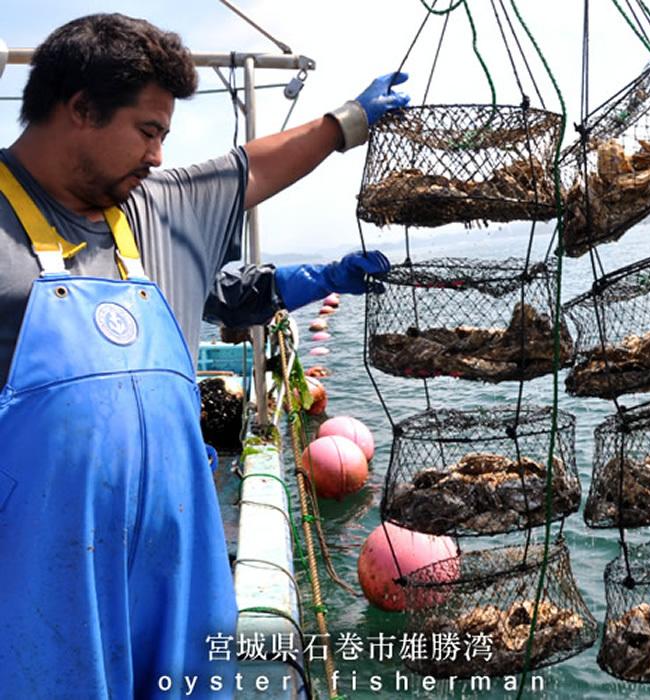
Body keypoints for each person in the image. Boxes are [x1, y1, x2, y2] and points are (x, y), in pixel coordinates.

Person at [0, 13, 409, 699]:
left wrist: (348, 123)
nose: (159, 155)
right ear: (79, 109)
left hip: (176, 578)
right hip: (39, 589)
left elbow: (251, 169)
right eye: (149, 131)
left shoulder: (151, 208)